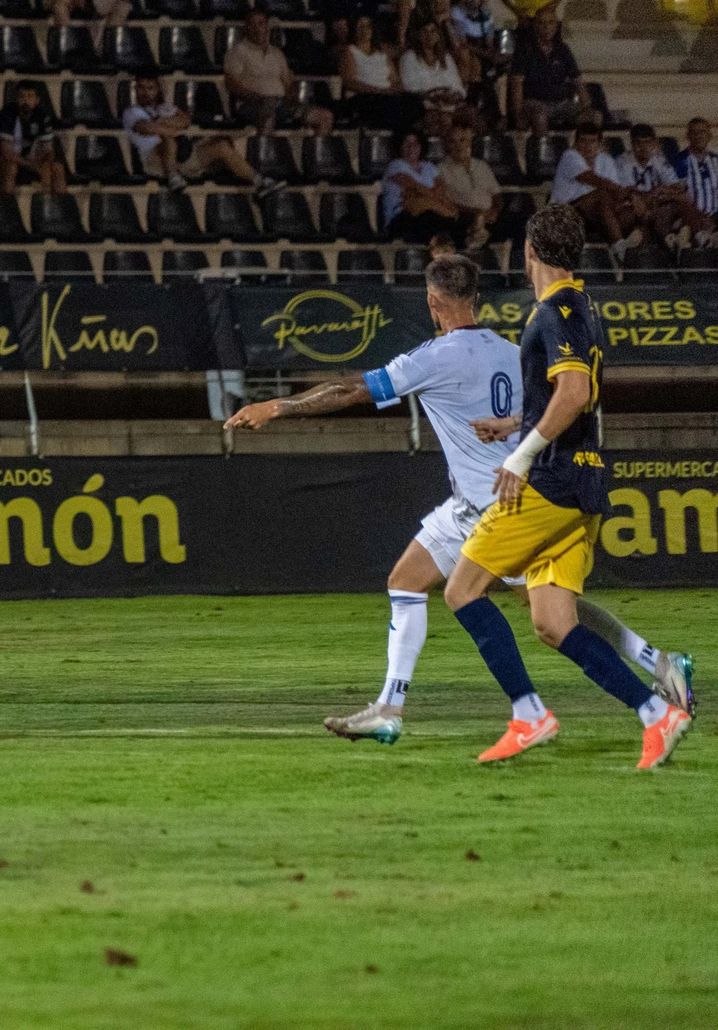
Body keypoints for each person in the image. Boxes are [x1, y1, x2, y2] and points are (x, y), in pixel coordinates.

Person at [225, 256, 691, 745]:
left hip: (499, 504)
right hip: (481, 499)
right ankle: (389, 707)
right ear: (476, 299)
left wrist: (277, 405)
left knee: (551, 615)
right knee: (408, 580)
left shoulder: (432, 357)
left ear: (432, 302)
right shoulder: (511, 349)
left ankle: (638, 674)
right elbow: (551, 404)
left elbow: (350, 389)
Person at [443, 204, 693, 768]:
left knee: (463, 590)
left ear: (529, 251)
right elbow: (574, 398)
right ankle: (658, 714)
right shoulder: (581, 305)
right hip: (583, 483)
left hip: (550, 484)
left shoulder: (549, 314)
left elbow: (574, 393)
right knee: (554, 623)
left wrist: (521, 455)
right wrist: (516, 426)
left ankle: (528, 714)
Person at [123, 67, 282, 196]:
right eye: (141, 88)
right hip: (155, 162)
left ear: (157, 89)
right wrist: (171, 129)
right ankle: (172, 177)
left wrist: (162, 124)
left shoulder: (165, 108)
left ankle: (259, 183)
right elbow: (147, 128)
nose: (145, 92)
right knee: (168, 140)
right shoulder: (132, 112)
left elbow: (184, 120)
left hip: (183, 156)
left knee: (221, 145)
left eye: (150, 88)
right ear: (135, 89)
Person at [224, 10, 334, 135]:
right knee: (268, 111)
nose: (256, 28)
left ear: (267, 27)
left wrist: (293, 91)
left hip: (280, 104)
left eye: (260, 23)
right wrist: (253, 96)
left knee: (324, 116)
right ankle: (266, 152)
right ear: (246, 28)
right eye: (252, 24)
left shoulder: (277, 53)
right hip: (251, 105)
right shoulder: (238, 52)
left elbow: (288, 85)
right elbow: (231, 84)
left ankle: (316, 153)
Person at [551, 123, 639, 261]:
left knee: (633, 211)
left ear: (599, 143)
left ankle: (634, 259)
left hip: (598, 212)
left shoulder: (606, 160)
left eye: (592, 141)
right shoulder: (570, 156)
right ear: (576, 142)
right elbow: (593, 180)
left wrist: (627, 196)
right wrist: (621, 190)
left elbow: (614, 192)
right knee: (602, 195)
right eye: (583, 141)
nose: (587, 145)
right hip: (567, 212)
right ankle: (619, 246)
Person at [619, 123, 712, 251]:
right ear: (632, 144)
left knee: (680, 200)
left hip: (657, 204)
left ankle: (694, 236)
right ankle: (676, 237)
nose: (643, 147)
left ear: (654, 143)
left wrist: (661, 192)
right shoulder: (623, 162)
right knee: (662, 209)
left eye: (647, 143)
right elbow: (629, 194)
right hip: (635, 209)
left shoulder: (658, 159)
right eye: (638, 143)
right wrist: (656, 193)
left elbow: (676, 186)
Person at [0, 84, 66, 194]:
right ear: (16, 99)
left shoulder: (42, 116)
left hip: (22, 159)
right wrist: (30, 164)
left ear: (37, 100)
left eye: (30, 96)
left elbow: (48, 150)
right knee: (10, 168)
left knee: (57, 168)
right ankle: (8, 206)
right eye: (22, 96)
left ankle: (52, 207)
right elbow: (6, 153)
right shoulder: (6, 115)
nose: (25, 100)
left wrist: (43, 162)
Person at [509, 7, 584, 136]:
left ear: (556, 26)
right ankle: (542, 152)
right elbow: (517, 84)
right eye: (542, 23)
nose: (546, 27)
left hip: (562, 103)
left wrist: (587, 106)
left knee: (593, 117)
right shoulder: (524, 50)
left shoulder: (563, 49)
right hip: (535, 102)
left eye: (551, 23)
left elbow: (577, 80)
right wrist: (518, 115)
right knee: (540, 115)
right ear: (535, 26)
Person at [381, 129, 461, 243]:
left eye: (415, 143)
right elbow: (413, 187)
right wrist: (434, 199)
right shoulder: (395, 166)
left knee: (450, 222)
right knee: (431, 219)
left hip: (431, 212)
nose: (411, 147)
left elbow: (441, 189)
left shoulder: (428, 166)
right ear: (400, 146)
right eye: (406, 143)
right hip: (401, 216)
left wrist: (429, 198)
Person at [340, 14, 416, 130]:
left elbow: (395, 79)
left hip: (387, 95)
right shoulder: (350, 51)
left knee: (413, 102)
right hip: (365, 96)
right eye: (360, 26)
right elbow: (349, 81)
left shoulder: (382, 52)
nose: (364, 30)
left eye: (367, 26)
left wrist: (395, 89)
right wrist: (378, 91)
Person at [399, 16, 466, 139]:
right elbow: (408, 86)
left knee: (470, 115)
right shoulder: (410, 57)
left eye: (433, 31)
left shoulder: (446, 58)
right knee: (442, 119)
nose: (429, 35)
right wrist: (434, 96)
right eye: (424, 31)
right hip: (425, 105)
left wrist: (455, 95)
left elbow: (458, 85)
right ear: (418, 35)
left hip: (449, 104)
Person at [439, 124, 499, 247]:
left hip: (488, 216)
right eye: (452, 142)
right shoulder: (441, 169)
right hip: (463, 217)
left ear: (469, 143)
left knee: (519, 224)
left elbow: (497, 195)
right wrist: (475, 213)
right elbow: (444, 201)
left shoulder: (482, 166)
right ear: (446, 145)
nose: (458, 146)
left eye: (462, 140)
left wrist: (495, 210)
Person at [673, 116, 718, 235]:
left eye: (702, 132)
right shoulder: (681, 161)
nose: (698, 136)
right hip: (691, 217)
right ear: (688, 136)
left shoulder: (716, 160)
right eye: (694, 132)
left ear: (709, 136)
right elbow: (677, 192)